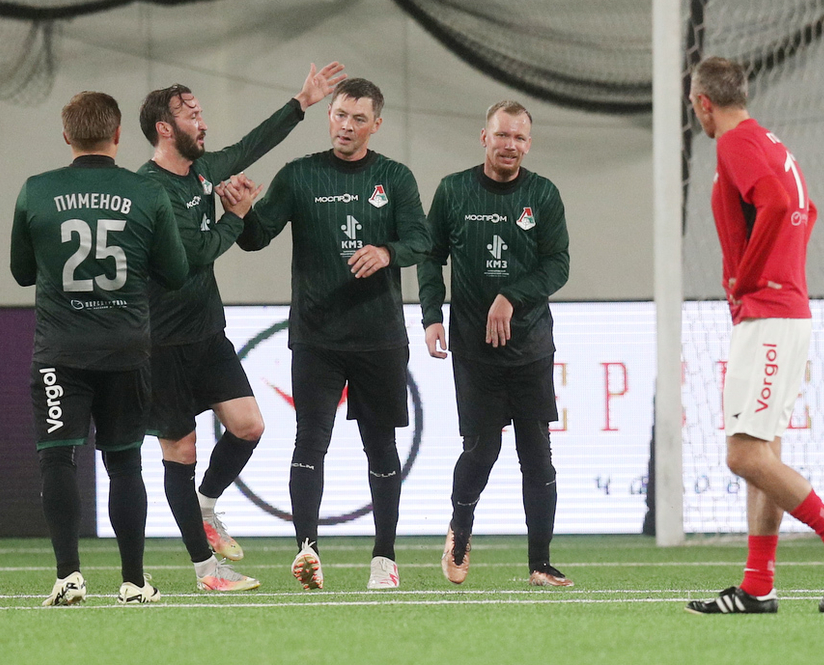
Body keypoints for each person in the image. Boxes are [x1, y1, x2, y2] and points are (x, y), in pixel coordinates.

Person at [685, 57, 824, 614]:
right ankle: (757, 586)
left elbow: (776, 203)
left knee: (744, 456)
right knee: (764, 450)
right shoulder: (768, 141)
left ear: (703, 103)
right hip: (781, 312)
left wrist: (748, 277)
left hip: (769, 314)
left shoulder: (735, 143)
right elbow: (805, 209)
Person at [137, 62, 344, 592]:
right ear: (165, 128)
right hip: (162, 342)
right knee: (180, 451)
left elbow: (253, 145)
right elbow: (194, 255)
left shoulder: (202, 171)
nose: (202, 122)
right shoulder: (151, 189)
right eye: (191, 115)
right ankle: (207, 572)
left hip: (207, 333)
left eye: (201, 113)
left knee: (249, 426)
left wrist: (301, 103)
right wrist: (238, 213)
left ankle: (206, 505)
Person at [238, 78, 430, 591]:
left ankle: (384, 559)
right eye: (340, 115)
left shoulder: (394, 177)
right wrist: (240, 210)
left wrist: (387, 252)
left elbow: (422, 240)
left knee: (381, 446)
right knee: (310, 440)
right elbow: (256, 239)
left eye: (358, 119)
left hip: (379, 336)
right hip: (316, 337)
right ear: (329, 116)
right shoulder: (300, 175)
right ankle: (308, 550)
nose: (346, 126)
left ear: (376, 124)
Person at [10, 90, 193, 605]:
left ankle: (68, 576)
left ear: (66, 136)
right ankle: (133, 582)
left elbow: (22, 272)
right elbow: (176, 273)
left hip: (59, 350)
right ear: (117, 134)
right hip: (125, 348)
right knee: (125, 463)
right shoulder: (146, 192)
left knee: (57, 459)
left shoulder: (36, 190)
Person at [417, 101, 572, 587]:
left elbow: (558, 265)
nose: (510, 145)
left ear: (529, 144)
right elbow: (429, 255)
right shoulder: (454, 190)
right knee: (482, 450)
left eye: (519, 138)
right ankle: (460, 531)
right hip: (474, 349)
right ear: (484, 137)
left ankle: (540, 563)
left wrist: (510, 296)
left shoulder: (542, 194)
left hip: (531, 347)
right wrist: (431, 315)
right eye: (502, 135)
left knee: (537, 455)